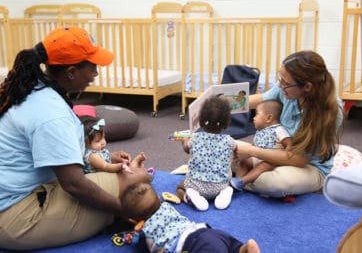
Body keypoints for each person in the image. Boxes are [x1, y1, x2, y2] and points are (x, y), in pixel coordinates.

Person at [0, 26, 151, 251]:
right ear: (71, 71)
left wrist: (103, 159)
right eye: (93, 67)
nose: (96, 74)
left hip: (18, 196)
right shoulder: (51, 112)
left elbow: (50, 148)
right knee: (137, 183)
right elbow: (74, 184)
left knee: (131, 179)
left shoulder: (33, 89)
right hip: (17, 216)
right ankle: (113, 216)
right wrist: (122, 209)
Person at [234, 50, 344, 198]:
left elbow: (299, 159)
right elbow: (259, 99)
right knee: (219, 151)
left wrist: (251, 151)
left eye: (285, 83)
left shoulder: (330, 112)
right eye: (280, 79)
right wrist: (220, 103)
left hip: (307, 166)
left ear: (307, 87)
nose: (280, 86)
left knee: (272, 183)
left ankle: (236, 180)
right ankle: (242, 180)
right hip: (274, 152)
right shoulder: (288, 89)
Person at [120, 182, 261, 253]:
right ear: (158, 198)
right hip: (207, 232)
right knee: (231, 246)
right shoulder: (166, 206)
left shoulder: (146, 231)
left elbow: (143, 248)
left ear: (134, 220)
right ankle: (244, 248)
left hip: (192, 247)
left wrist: (136, 237)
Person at [181, 95, 236, 211]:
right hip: (220, 185)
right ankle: (226, 192)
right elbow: (236, 150)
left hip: (196, 184)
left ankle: (193, 194)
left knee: (184, 186)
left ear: (201, 121)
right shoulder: (229, 141)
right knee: (228, 183)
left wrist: (184, 140)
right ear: (226, 123)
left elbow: (186, 149)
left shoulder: (195, 138)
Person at [230, 99, 292, 191]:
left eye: (256, 114)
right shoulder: (260, 131)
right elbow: (254, 146)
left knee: (263, 166)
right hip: (258, 158)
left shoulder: (279, 130)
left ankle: (243, 181)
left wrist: (286, 156)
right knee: (244, 162)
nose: (253, 118)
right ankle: (236, 182)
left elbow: (289, 143)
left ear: (269, 118)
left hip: (272, 161)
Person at [79, 115, 146, 174]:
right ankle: (135, 166)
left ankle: (135, 167)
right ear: (84, 143)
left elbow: (104, 157)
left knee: (127, 169)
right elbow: (105, 166)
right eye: (98, 141)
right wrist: (120, 166)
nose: (103, 142)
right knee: (124, 174)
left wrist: (114, 156)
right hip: (102, 176)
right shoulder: (92, 156)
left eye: (103, 137)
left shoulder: (95, 151)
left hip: (106, 170)